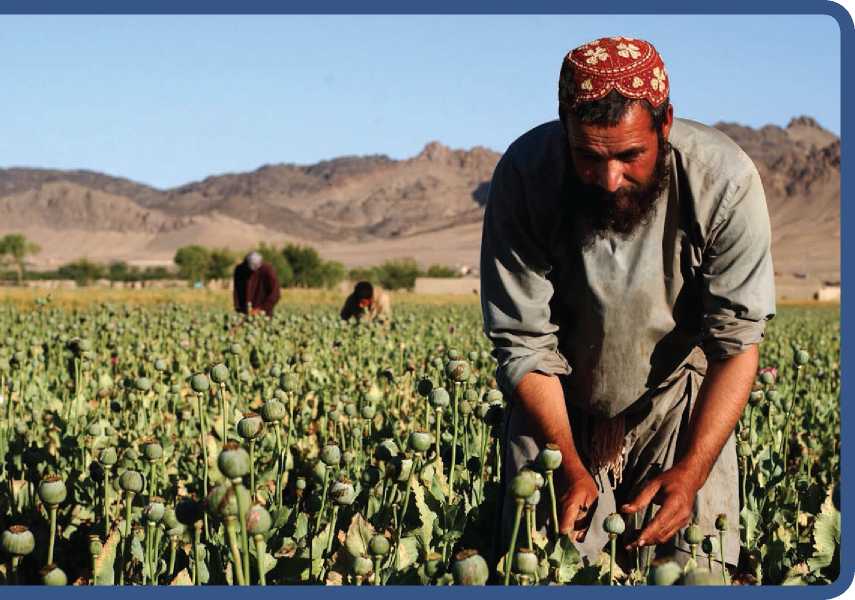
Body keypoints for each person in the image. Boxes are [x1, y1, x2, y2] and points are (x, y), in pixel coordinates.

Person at [479, 36, 775, 570]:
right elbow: (522, 343)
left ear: (665, 124)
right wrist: (566, 462)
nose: (609, 179)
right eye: (587, 157)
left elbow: (736, 346)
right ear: (564, 130)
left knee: (691, 573)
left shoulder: (723, 180)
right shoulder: (526, 176)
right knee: (544, 569)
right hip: (555, 402)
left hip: (678, 404)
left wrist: (692, 470)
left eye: (629, 155)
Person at [233, 251, 281, 317]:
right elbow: (237, 291)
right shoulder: (240, 269)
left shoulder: (268, 270)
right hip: (245, 312)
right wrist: (239, 309)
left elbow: (275, 294)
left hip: (264, 314)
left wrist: (261, 309)